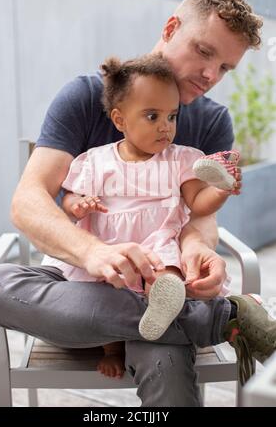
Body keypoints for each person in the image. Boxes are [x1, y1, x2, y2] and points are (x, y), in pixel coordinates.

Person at [0, 0, 271, 406]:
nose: (212, 75)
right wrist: (93, 252)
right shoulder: (85, 97)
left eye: (226, 67)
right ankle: (222, 319)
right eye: (205, 51)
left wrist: (196, 250)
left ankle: (183, 316)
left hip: (159, 284)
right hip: (78, 292)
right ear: (171, 27)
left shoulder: (211, 124)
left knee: (168, 363)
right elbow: (27, 201)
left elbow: (199, 219)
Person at [43, 53, 242, 378]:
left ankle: (164, 303)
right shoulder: (97, 161)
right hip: (109, 244)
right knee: (104, 289)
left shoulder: (180, 160)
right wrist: (79, 206)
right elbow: (68, 200)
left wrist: (221, 188)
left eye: (172, 116)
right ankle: (113, 347)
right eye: (153, 116)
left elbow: (199, 205)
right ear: (120, 120)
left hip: (158, 240)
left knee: (168, 273)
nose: (166, 127)